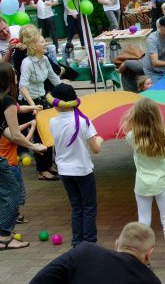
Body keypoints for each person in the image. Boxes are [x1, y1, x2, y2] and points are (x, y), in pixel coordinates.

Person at [0, 63, 46, 251]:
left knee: (3, 189)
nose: (16, 77)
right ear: (9, 79)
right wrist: (33, 146)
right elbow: (15, 135)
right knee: (12, 191)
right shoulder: (5, 100)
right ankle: (6, 237)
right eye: (14, 75)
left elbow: (5, 131)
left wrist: (31, 109)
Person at [121, 98, 165, 273]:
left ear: (136, 116)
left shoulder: (132, 136)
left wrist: (132, 117)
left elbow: (128, 126)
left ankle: (141, 261)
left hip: (142, 185)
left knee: (143, 221)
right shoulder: (163, 134)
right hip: (161, 183)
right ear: (156, 116)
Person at [48, 84, 103, 246]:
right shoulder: (83, 121)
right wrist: (100, 139)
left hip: (64, 171)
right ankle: (89, 242)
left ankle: (77, 242)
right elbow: (96, 149)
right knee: (89, 207)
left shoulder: (52, 122)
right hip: (83, 170)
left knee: (77, 207)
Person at [29, 222, 162, 284]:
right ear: (148, 254)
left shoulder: (85, 251)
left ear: (117, 244)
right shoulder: (151, 281)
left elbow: (40, 281)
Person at [18, 26, 61, 180]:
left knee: (48, 132)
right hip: (30, 102)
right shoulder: (27, 62)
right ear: (34, 45)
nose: (46, 44)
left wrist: (67, 90)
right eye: (42, 42)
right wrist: (32, 105)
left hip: (42, 100)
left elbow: (54, 78)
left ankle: (49, 164)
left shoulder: (44, 59)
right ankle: (42, 170)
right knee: (40, 136)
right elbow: (22, 86)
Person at [0, 119, 36, 224]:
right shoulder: (9, 136)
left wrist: (28, 123)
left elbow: (15, 129)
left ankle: (5, 215)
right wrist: (32, 127)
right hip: (11, 167)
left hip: (1, 166)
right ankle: (14, 215)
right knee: (17, 192)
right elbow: (25, 142)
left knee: (5, 192)